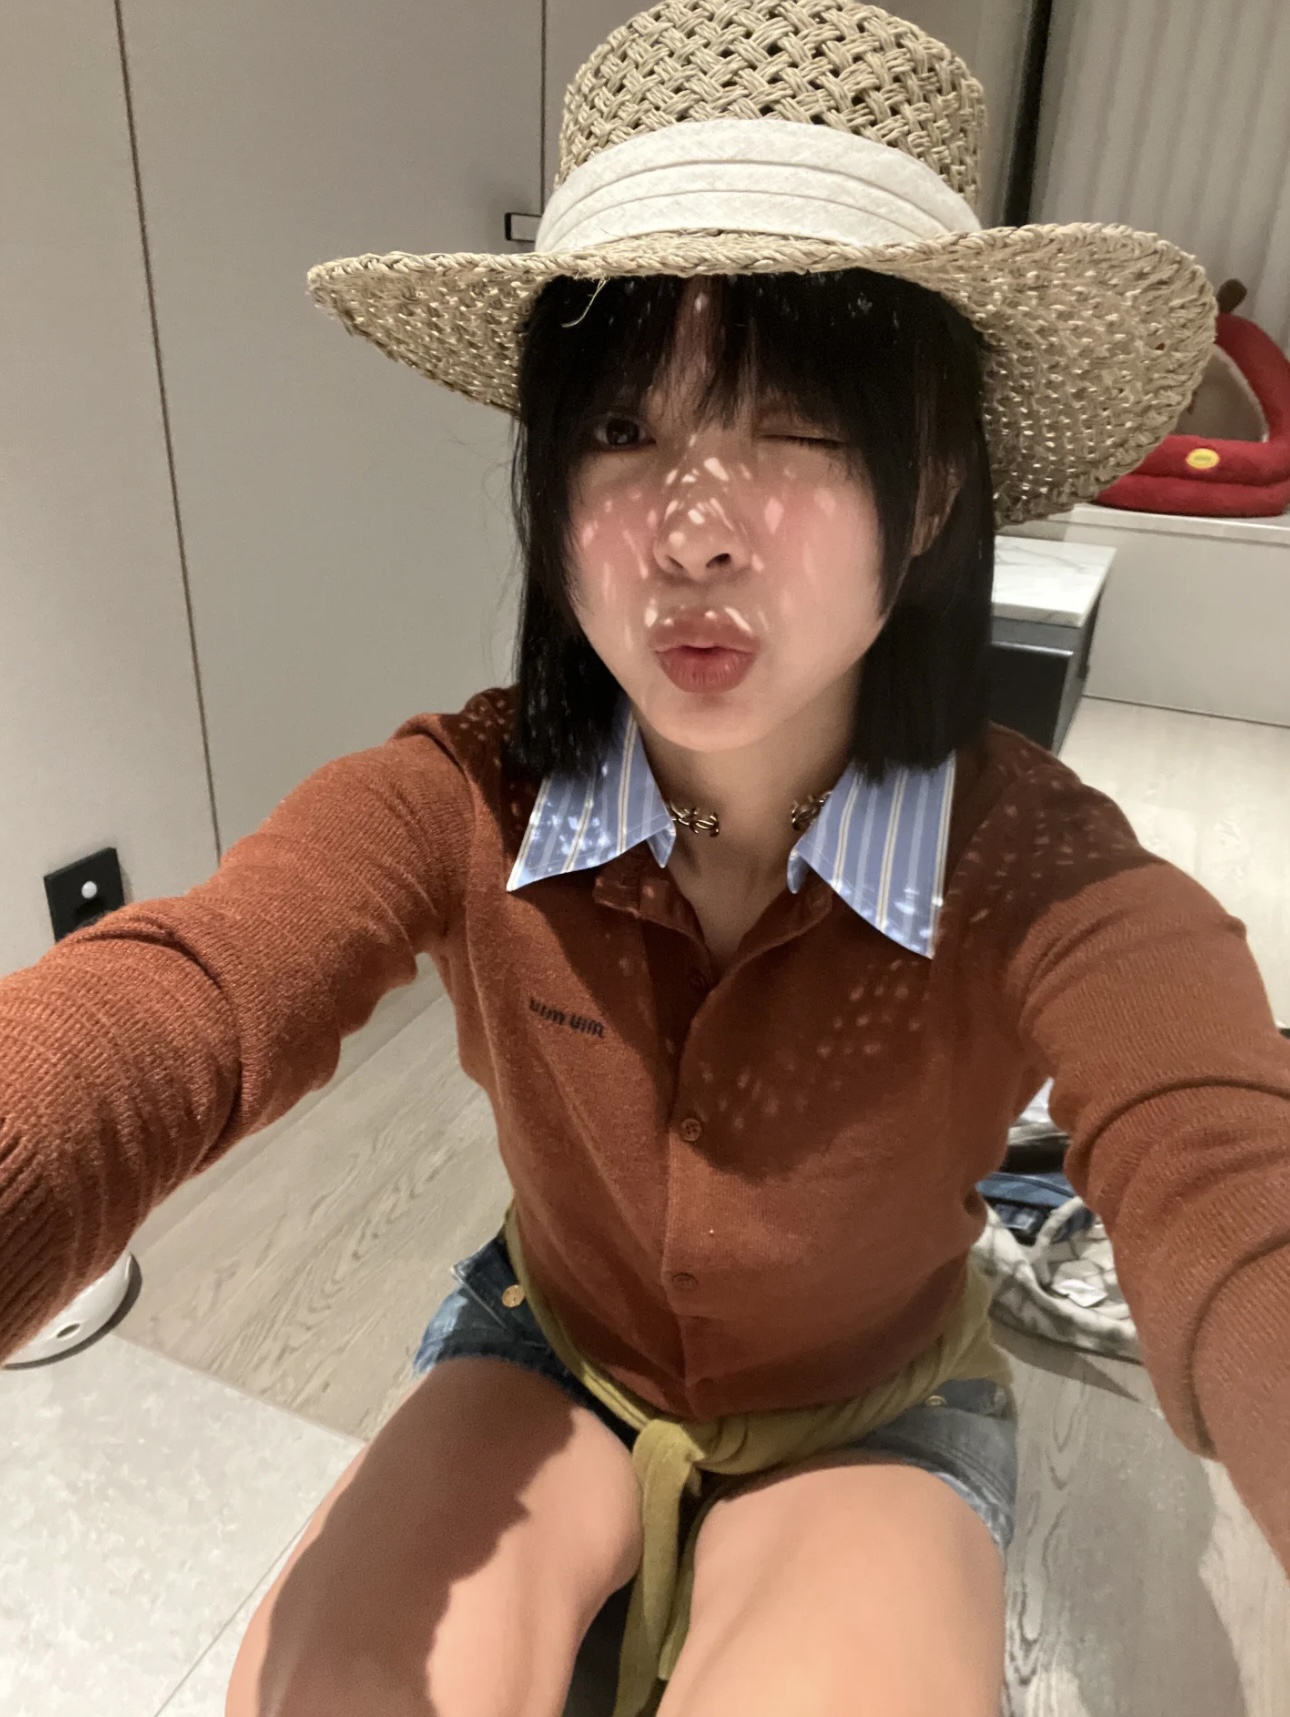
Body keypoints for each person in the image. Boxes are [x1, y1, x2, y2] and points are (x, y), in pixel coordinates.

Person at [1, 4, 1287, 1715]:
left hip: (872, 1401)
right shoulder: (463, 797)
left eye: (795, 423)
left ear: (930, 491)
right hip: (550, 1343)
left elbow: (1225, 1170)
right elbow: (192, 1002)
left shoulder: (1038, 872)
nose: (690, 527)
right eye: (620, 428)